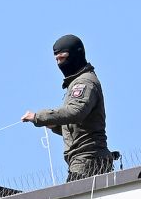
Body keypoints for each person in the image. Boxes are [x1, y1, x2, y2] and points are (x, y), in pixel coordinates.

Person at [22, 34, 113, 182]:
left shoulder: (84, 82)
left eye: (63, 58)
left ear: (77, 54)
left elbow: (75, 112)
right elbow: (78, 127)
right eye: (56, 60)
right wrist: (55, 126)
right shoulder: (76, 83)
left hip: (88, 161)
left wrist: (39, 117)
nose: (59, 63)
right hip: (81, 162)